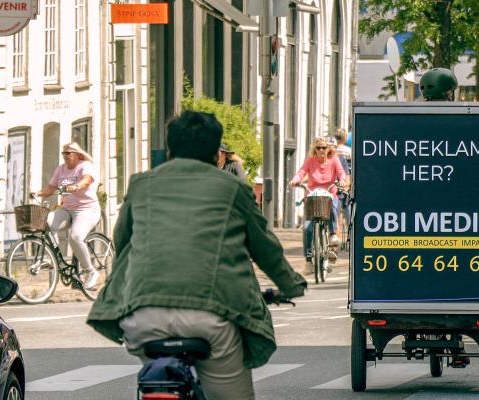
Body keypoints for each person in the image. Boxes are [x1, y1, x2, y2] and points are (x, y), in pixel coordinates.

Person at [86, 110, 306, 399]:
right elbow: (265, 248)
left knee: (156, 370)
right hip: (211, 318)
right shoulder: (234, 189)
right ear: (217, 154)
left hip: (143, 317)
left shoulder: (141, 185)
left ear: (169, 150)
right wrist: (290, 285)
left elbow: (122, 239)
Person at [32, 142, 102, 289]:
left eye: (68, 153)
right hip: (66, 209)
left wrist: (76, 186)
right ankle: (50, 258)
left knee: (75, 237)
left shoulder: (85, 166)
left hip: (87, 210)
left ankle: (91, 271)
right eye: (63, 153)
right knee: (44, 223)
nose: (65, 156)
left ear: (77, 154)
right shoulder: (61, 169)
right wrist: (37, 193)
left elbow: (87, 180)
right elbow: (51, 188)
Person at [289, 137, 346, 272]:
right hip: (313, 197)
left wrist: (342, 181)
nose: (321, 150)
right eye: (318, 148)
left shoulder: (334, 160)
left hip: (329, 194)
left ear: (328, 149)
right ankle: (309, 261)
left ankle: (332, 234)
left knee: (332, 205)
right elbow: (301, 172)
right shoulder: (310, 161)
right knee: (307, 228)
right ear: (314, 149)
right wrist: (295, 180)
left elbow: (341, 173)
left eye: (323, 148)